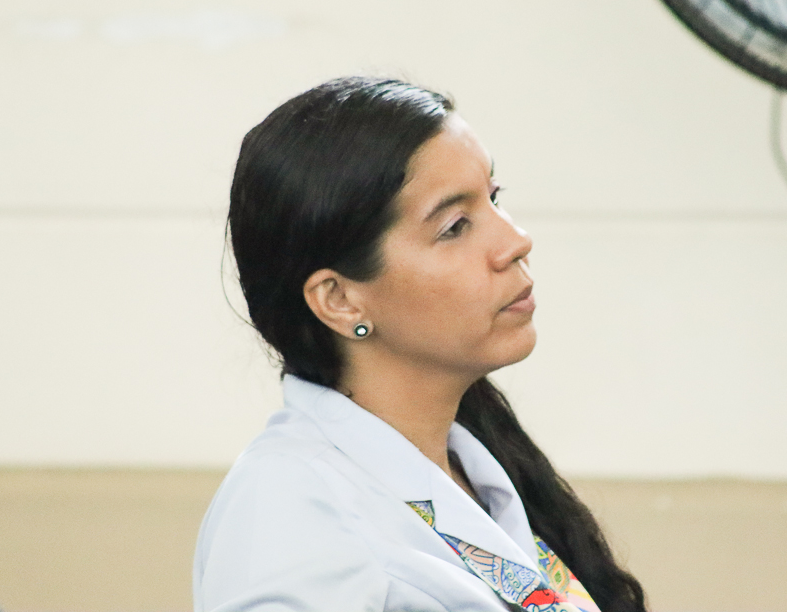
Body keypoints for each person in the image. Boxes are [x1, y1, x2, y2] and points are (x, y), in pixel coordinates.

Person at [193, 76, 646, 612]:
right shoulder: (288, 509)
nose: (515, 241)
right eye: (455, 226)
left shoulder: (471, 463)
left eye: (494, 198)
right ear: (340, 299)